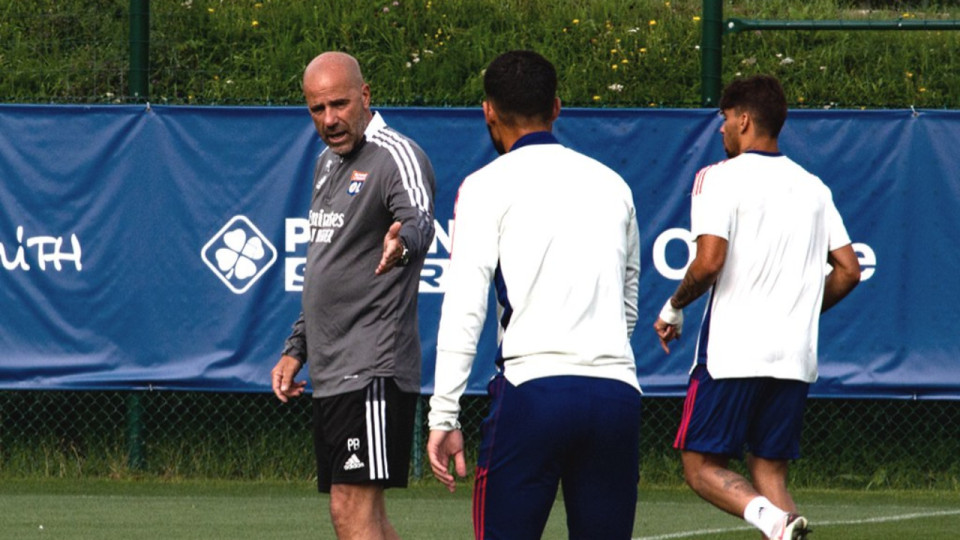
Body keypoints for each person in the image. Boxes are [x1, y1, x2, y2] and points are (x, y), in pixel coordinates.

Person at [426, 50, 643, 539]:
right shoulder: (615, 185)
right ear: (557, 107)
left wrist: (444, 413)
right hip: (615, 394)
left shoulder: (484, 185)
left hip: (534, 393)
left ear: (488, 110)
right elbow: (628, 305)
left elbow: (464, 306)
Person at [653, 74, 860, 540]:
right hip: (793, 356)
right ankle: (781, 522)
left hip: (733, 353)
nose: (721, 129)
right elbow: (848, 270)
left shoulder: (717, 178)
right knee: (770, 474)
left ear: (743, 119)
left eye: (725, 119)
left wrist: (672, 308)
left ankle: (770, 520)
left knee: (700, 465)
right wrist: (802, 309)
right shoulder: (813, 187)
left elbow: (708, 263)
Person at [270, 51, 435, 540]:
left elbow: (420, 220)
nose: (329, 120)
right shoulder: (326, 163)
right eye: (317, 109)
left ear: (365, 96)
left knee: (351, 507)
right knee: (362, 513)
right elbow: (326, 266)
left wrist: (402, 242)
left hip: (373, 365)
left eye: (339, 104)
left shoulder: (395, 154)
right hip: (333, 367)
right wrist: (296, 348)